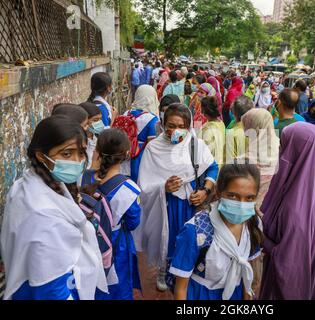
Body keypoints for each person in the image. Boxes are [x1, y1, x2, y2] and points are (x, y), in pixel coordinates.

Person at [1, 116, 108, 300]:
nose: (76, 161)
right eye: (66, 154)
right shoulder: (43, 215)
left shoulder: (28, 183)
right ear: (41, 155)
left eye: (81, 153)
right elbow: (50, 287)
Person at [134, 103, 219, 292]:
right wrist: (163, 187)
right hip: (166, 205)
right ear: (163, 125)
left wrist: (205, 190)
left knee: (189, 239)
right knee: (167, 238)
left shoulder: (196, 145)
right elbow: (144, 184)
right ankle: (164, 270)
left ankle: (185, 274)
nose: (175, 130)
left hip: (190, 204)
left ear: (188, 126)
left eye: (181, 126)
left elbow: (213, 167)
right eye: (171, 125)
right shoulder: (153, 148)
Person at [259, 122, 315, 299]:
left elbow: (289, 262)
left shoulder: (296, 207)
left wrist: (259, 235)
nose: (281, 151)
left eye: (284, 146)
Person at [170, 164, 263, 300]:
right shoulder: (196, 231)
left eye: (249, 198)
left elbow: (247, 273)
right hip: (201, 294)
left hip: (235, 294)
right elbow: (181, 288)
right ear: (219, 193)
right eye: (233, 196)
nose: (241, 205)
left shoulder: (253, 224)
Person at [81, 129, 142, 300]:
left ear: (97, 153)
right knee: (117, 285)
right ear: (126, 155)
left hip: (87, 239)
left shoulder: (83, 178)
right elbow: (133, 223)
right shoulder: (129, 190)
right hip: (116, 243)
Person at [120, 85, 159, 183]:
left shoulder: (126, 113)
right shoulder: (152, 119)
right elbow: (152, 147)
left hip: (123, 158)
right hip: (140, 160)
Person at [225, 96, 254, 164]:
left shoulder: (232, 133)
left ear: (234, 112)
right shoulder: (256, 128)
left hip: (237, 171)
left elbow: (230, 161)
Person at [200, 96, 226, 168]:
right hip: (220, 163)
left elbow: (204, 151)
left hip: (210, 167)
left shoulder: (208, 128)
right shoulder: (221, 123)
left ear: (204, 113)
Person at [79, 102, 103, 169]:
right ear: (85, 121)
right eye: (95, 120)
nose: (99, 123)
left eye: (100, 119)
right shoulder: (79, 142)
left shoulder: (97, 139)